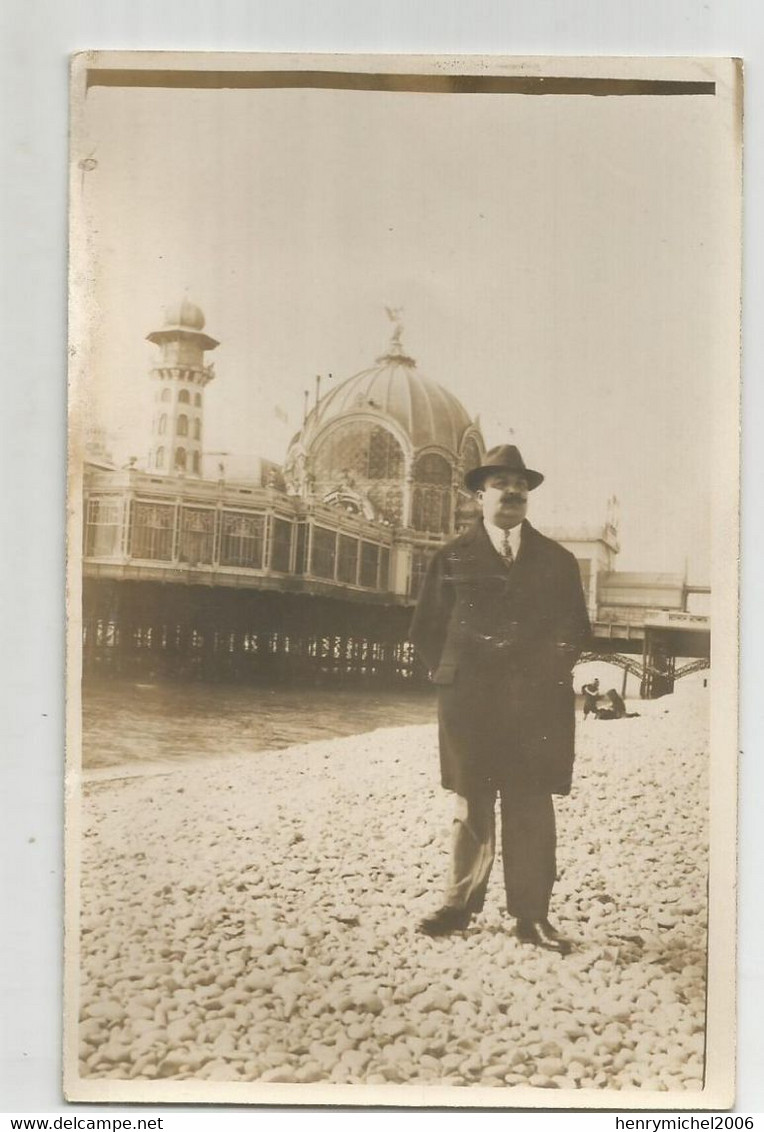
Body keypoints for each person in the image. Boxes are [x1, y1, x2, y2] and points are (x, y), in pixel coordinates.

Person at [410, 444, 591, 952]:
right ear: (478, 494)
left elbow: (576, 629)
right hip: (470, 703)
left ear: (528, 495)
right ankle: (458, 906)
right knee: (472, 804)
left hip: (537, 707)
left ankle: (532, 917)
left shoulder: (557, 560)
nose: (512, 492)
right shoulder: (451, 557)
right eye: (499, 483)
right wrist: (452, 677)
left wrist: (546, 672)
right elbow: (426, 628)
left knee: (530, 805)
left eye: (520, 485)